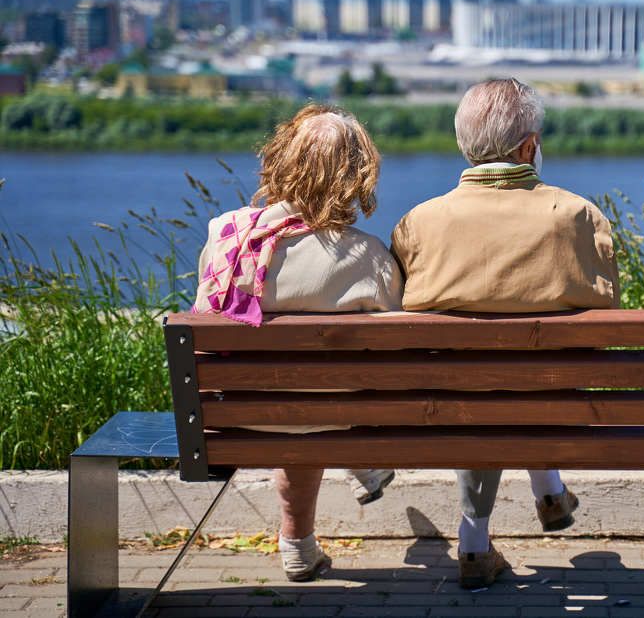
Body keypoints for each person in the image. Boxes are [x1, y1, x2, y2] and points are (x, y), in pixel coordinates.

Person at [391, 78, 620, 589]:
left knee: (478, 381)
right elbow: (607, 316)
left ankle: (478, 537)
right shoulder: (578, 217)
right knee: (522, 377)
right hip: (554, 399)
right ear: (529, 148)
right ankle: (548, 492)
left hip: (453, 405)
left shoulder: (418, 224)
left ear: (464, 147)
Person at [193, 104, 400, 582]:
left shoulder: (225, 235)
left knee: (294, 398)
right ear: (356, 175)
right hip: (332, 412)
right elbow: (394, 355)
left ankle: (300, 544)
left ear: (281, 160)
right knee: (322, 398)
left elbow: (205, 316)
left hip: (240, 412)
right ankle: (363, 464)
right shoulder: (367, 256)